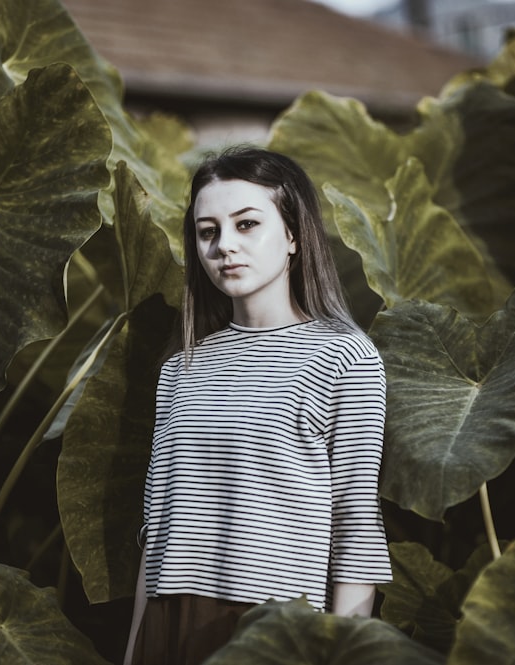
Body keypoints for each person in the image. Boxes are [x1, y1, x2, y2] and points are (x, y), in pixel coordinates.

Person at [124, 146, 392, 665]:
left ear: (293, 235)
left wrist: (337, 652)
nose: (225, 246)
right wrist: (135, 649)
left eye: (247, 224)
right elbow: (156, 531)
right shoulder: (180, 369)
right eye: (208, 231)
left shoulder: (343, 356)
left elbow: (355, 526)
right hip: (168, 622)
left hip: (274, 631)